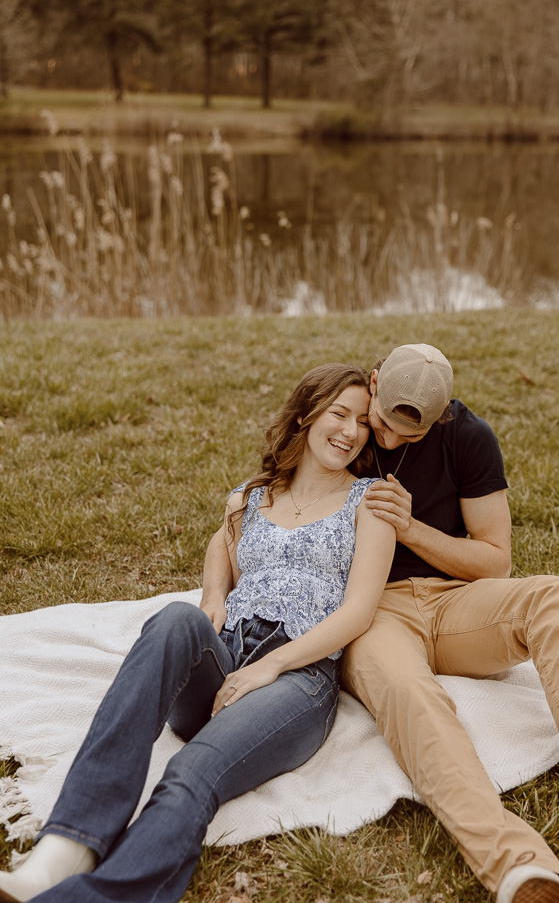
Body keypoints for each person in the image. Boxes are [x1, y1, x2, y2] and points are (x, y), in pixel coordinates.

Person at [0, 363, 395, 903]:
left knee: (192, 769)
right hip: (227, 654)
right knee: (174, 618)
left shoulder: (369, 502)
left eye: (362, 423)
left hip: (297, 678)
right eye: (338, 414)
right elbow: (220, 543)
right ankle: (63, 852)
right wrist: (212, 597)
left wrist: (271, 666)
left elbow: (359, 612)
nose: (351, 432)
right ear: (305, 415)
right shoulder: (252, 497)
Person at [341, 343, 559, 903]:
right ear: (373, 383)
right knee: (410, 693)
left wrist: (413, 529)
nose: (389, 440)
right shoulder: (343, 422)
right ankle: (516, 866)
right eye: (383, 424)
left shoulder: (469, 437)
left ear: (440, 415)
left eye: (409, 435)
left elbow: (495, 559)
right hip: (370, 609)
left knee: (557, 597)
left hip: (454, 603)